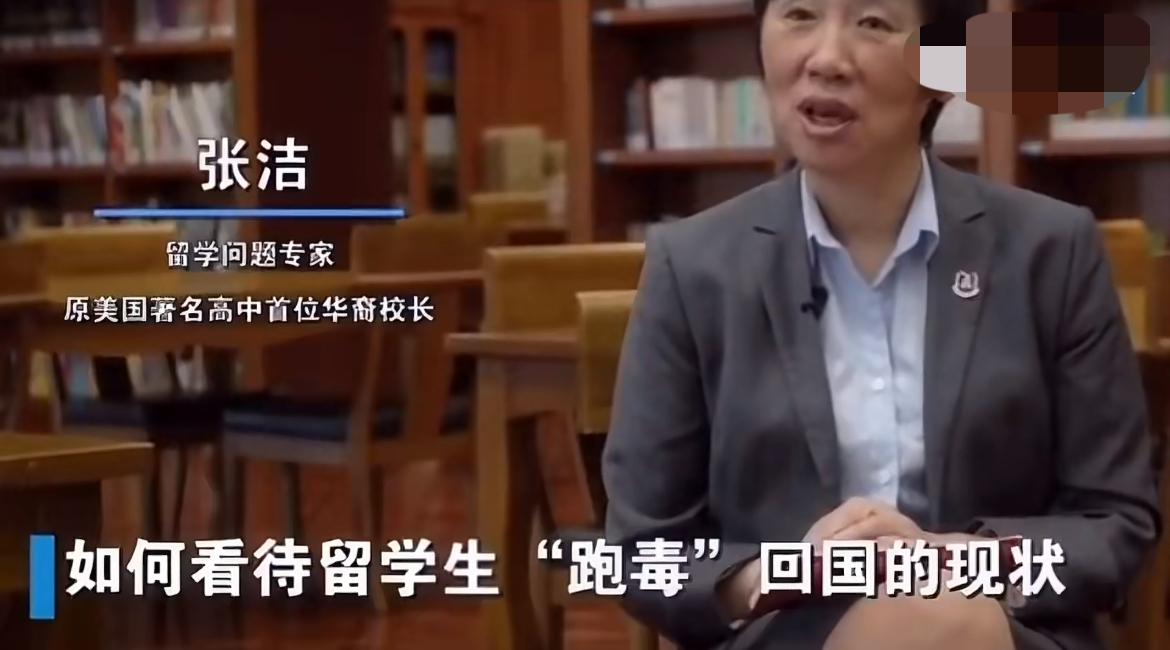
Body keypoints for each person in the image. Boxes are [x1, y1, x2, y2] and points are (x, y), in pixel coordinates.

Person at [601, 0, 1162, 649]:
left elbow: (1114, 523)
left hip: (995, 626)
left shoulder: (1051, 250)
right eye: (799, 14)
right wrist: (789, 574)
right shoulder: (693, 265)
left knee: (934, 623)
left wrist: (949, 563)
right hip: (788, 633)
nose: (827, 59)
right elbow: (639, 553)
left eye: (872, 23)